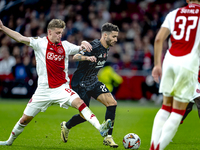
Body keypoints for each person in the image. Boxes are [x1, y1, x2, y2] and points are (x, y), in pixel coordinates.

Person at [0, 19, 112, 146]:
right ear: (50, 32)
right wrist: (3, 28)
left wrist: (84, 43)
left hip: (61, 88)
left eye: (61, 33)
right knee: (25, 119)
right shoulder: (39, 43)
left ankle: (100, 128)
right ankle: (9, 142)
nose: (60, 35)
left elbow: (80, 48)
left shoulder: (65, 45)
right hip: (43, 90)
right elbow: (20, 38)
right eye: (57, 33)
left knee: (80, 103)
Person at [150, 1, 200, 150]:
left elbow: (159, 39)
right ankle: (157, 149)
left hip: (169, 60)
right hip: (188, 62)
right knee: (178, 112)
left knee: (165, 108)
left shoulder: (174, 13)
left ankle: (152, 147)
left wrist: (157, 65)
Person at [61, 22, 119, 148]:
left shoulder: (106, 47)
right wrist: (87, 58)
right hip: (80, 83)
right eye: (114, 36)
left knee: (112, 103)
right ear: (105, 35)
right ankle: (66, 126)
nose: (116, 39)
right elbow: (75, 57)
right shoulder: (94, 46)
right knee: (83, 116)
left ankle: (108, 137)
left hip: (93, 81)